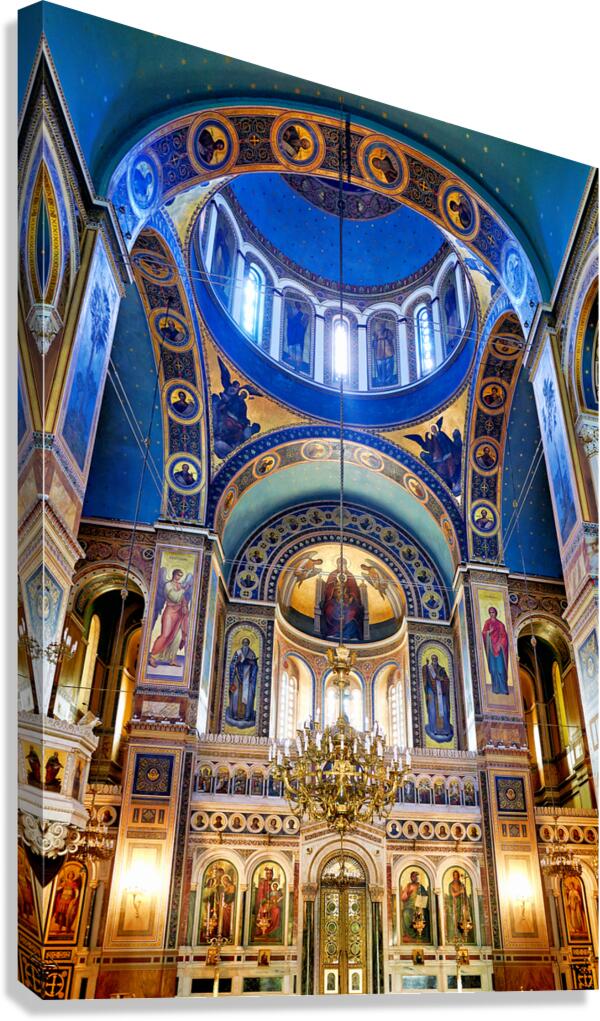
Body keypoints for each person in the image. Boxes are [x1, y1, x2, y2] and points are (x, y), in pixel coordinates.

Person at [149, 568, 190, 667]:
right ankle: (153, 656)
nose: (179, 577)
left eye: (180, 576)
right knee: (165, 635)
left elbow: (183, 599)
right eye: (178, 575)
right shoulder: (167, 585)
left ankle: (172, 659)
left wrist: (184, 606)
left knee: (178, 636)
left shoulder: (179, 586)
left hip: (179, 613)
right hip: (170, 612)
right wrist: (184, 590)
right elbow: (174, 597)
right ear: (174, 575)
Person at [321, 556, 364, 641]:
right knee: (331, 610)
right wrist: (335, 590)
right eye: (339, 564)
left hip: (348, 600)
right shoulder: (332, 574)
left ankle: (349, 634)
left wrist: (351, 597)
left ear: (346, 565)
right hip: (334, 600)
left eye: (343, 564)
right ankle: (333, 633)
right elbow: (328, 590)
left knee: (352, 611)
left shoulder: (350, 575)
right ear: (337, 564)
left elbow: (354, 589)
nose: (341, 565)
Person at [226, 637, 259, 726]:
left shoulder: (251, 653)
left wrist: (252, 664)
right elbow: (232, 664)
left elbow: (255, 666)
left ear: (248, 644)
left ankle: (246, 715)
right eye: (244, 643)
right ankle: (235, 714)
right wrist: (236, 661)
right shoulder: (238, 652)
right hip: (237, 676)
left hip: (247, 677)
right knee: (236, 694)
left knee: (246, 696)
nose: (245, 644)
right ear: (242, 643)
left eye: (246, 643)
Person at [422, 654, 453, 742]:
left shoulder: (441, 669)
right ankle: (434, 729)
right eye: (433, 659)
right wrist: (427, 666)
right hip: (432, 693)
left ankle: (446, 730)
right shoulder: (428, 668)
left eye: (436, 659)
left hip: (441, 692)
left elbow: (447, 680)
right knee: (433, 711)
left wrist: (442, 679)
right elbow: (426, 679)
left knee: (443, 710)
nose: (434, 660)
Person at [481, 606, 509, 694]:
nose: (491, 614)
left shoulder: (500, 624)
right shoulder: (487, 623)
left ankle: (504, 689)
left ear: (496, 613)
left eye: (493, 612)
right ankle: (496, 689)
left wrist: (500, 644)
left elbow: (504, 636)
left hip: (499, 649)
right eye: (490, 612)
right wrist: (489, 632)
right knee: (493, 669)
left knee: (501, 669)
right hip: (491, 649)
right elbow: (484, 633)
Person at [400, 870, 429, 942]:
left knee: (422, 915)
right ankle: (411, 935)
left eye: (416, 876)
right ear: (411, 878)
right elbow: (403, 898)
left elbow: (425, 896)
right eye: (413, 876)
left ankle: (421, 934)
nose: (415, 878)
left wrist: (421, 905)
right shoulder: (408, 886)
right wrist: (409, 892)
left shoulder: (420, 886)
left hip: (419, 907)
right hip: (410, 907)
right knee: (405, 913)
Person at [372, 319, 396, 386]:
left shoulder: (388, 331)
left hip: (388, 350)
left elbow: (391, 338)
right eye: (379, 325)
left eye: (382, 325)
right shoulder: (376, 333)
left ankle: (389, 379)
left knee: (389, 365)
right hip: (379, 352)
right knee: (380, 366)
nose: (380, 326)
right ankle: (381, 379)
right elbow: (374, 342)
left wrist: (384, 338)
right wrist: (374, 342)